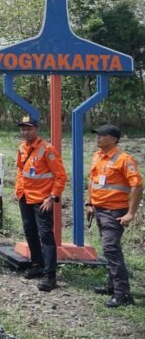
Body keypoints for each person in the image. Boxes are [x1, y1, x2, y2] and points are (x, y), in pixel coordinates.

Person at [85, 124, 142, 307]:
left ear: (114, 139)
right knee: (109, 248)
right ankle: (112, 285)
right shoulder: (97, 157)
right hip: (100, 209)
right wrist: (90, 203)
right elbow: (93, 182)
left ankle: (122, 293)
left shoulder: (124, 160)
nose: (98, 138)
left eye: (102, 135)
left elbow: (137, 186)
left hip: (115, 212)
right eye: (97, 135)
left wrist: (131, 213)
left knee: (111, 249)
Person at [14, 115, 67, 292]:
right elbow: (21, 170)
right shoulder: (22, 148)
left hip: (42, 200)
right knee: (30, 231)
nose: (25, 132)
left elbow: (60, 176)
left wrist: (52, 197)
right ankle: (37, 264)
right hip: (25, 197)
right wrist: (18, 190)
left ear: (37, 129)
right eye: (23, 129)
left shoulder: (47, 150)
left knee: (46, 236)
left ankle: (50, 275)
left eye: (29, 128)